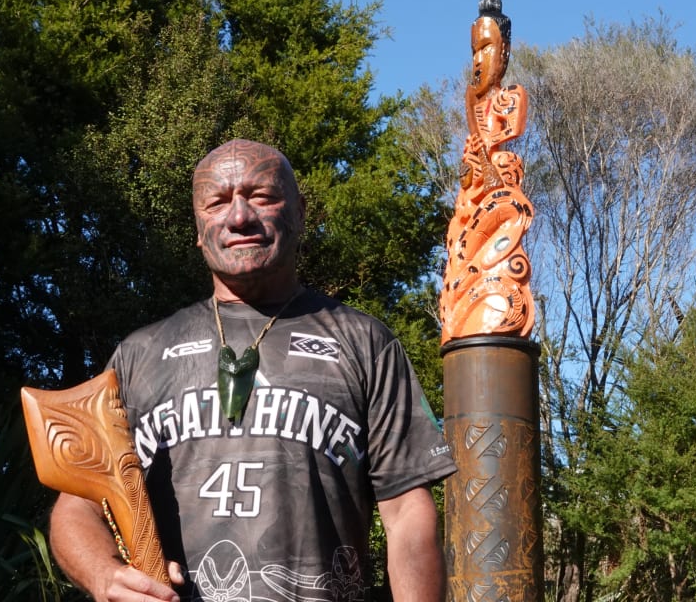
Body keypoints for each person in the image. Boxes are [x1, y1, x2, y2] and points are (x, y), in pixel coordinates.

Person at [50, 139, 457, 602]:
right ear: (198, 226)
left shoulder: (366, 343)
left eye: (262, 196)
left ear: (300, 211)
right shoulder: (139, 354)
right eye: (217, 202)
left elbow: (407, 513)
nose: (239, 216)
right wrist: (104, 575)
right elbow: (79, 503)